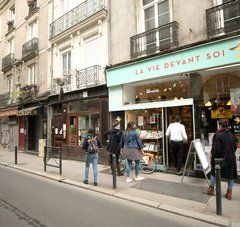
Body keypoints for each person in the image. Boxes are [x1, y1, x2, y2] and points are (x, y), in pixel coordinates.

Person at [203, 119, 237, 200]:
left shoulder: (218, 135)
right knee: (230, 175)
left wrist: (214, 159)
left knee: (214, 173)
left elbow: (216, 150)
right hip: (231, 158)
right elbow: (235, 147)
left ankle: (211, 190)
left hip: (221, 159)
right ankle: (229, 193)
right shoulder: (231, 135)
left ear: (220, 125)